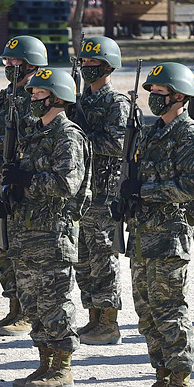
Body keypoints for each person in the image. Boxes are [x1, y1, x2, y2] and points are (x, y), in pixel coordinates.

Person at [118, 62, 194, 387]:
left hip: (170, 236)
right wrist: (126, 199)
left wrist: (144, 190)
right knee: (146, 312)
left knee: (170, 310)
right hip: (143, 235)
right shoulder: (152, 131)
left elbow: (193, 187)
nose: (153, 99)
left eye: (159, 93)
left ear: (179, 96)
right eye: (152, 93)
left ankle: (180, 381)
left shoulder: (189, 135)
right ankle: (161, 375)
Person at [0, 68, 91, 387]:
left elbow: (67, 183)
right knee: (32, 300)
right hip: (27, 232)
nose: (33, 99)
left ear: (57, 97)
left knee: (56, 301)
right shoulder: (33, 133)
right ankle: (44, 362)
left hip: (54, 234)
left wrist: (27, 182)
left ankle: (62, 366)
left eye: (39, 95)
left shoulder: (67, 136)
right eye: (34, 94)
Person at [0, 35, 46, 337]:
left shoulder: (39, 97)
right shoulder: (2, 98)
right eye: (7, 61)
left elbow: (34, 139)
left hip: (22, 187)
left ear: (32, 64)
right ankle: (14, 307)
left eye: (17, 61)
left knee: (22, 250)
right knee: (2, 247)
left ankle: (29, 312)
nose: (11, 66)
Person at [72, 36, 130, 345]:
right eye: (84, 63)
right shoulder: (78, 101)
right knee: (82, 258)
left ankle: (109, 322)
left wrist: (80, 139)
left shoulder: (116, 103)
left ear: (108, 67)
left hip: (105, 192)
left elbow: (119, 144)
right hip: (81, 190)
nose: (86, 69)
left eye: (93, 64)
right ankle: (93, 316)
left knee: (103, 257)